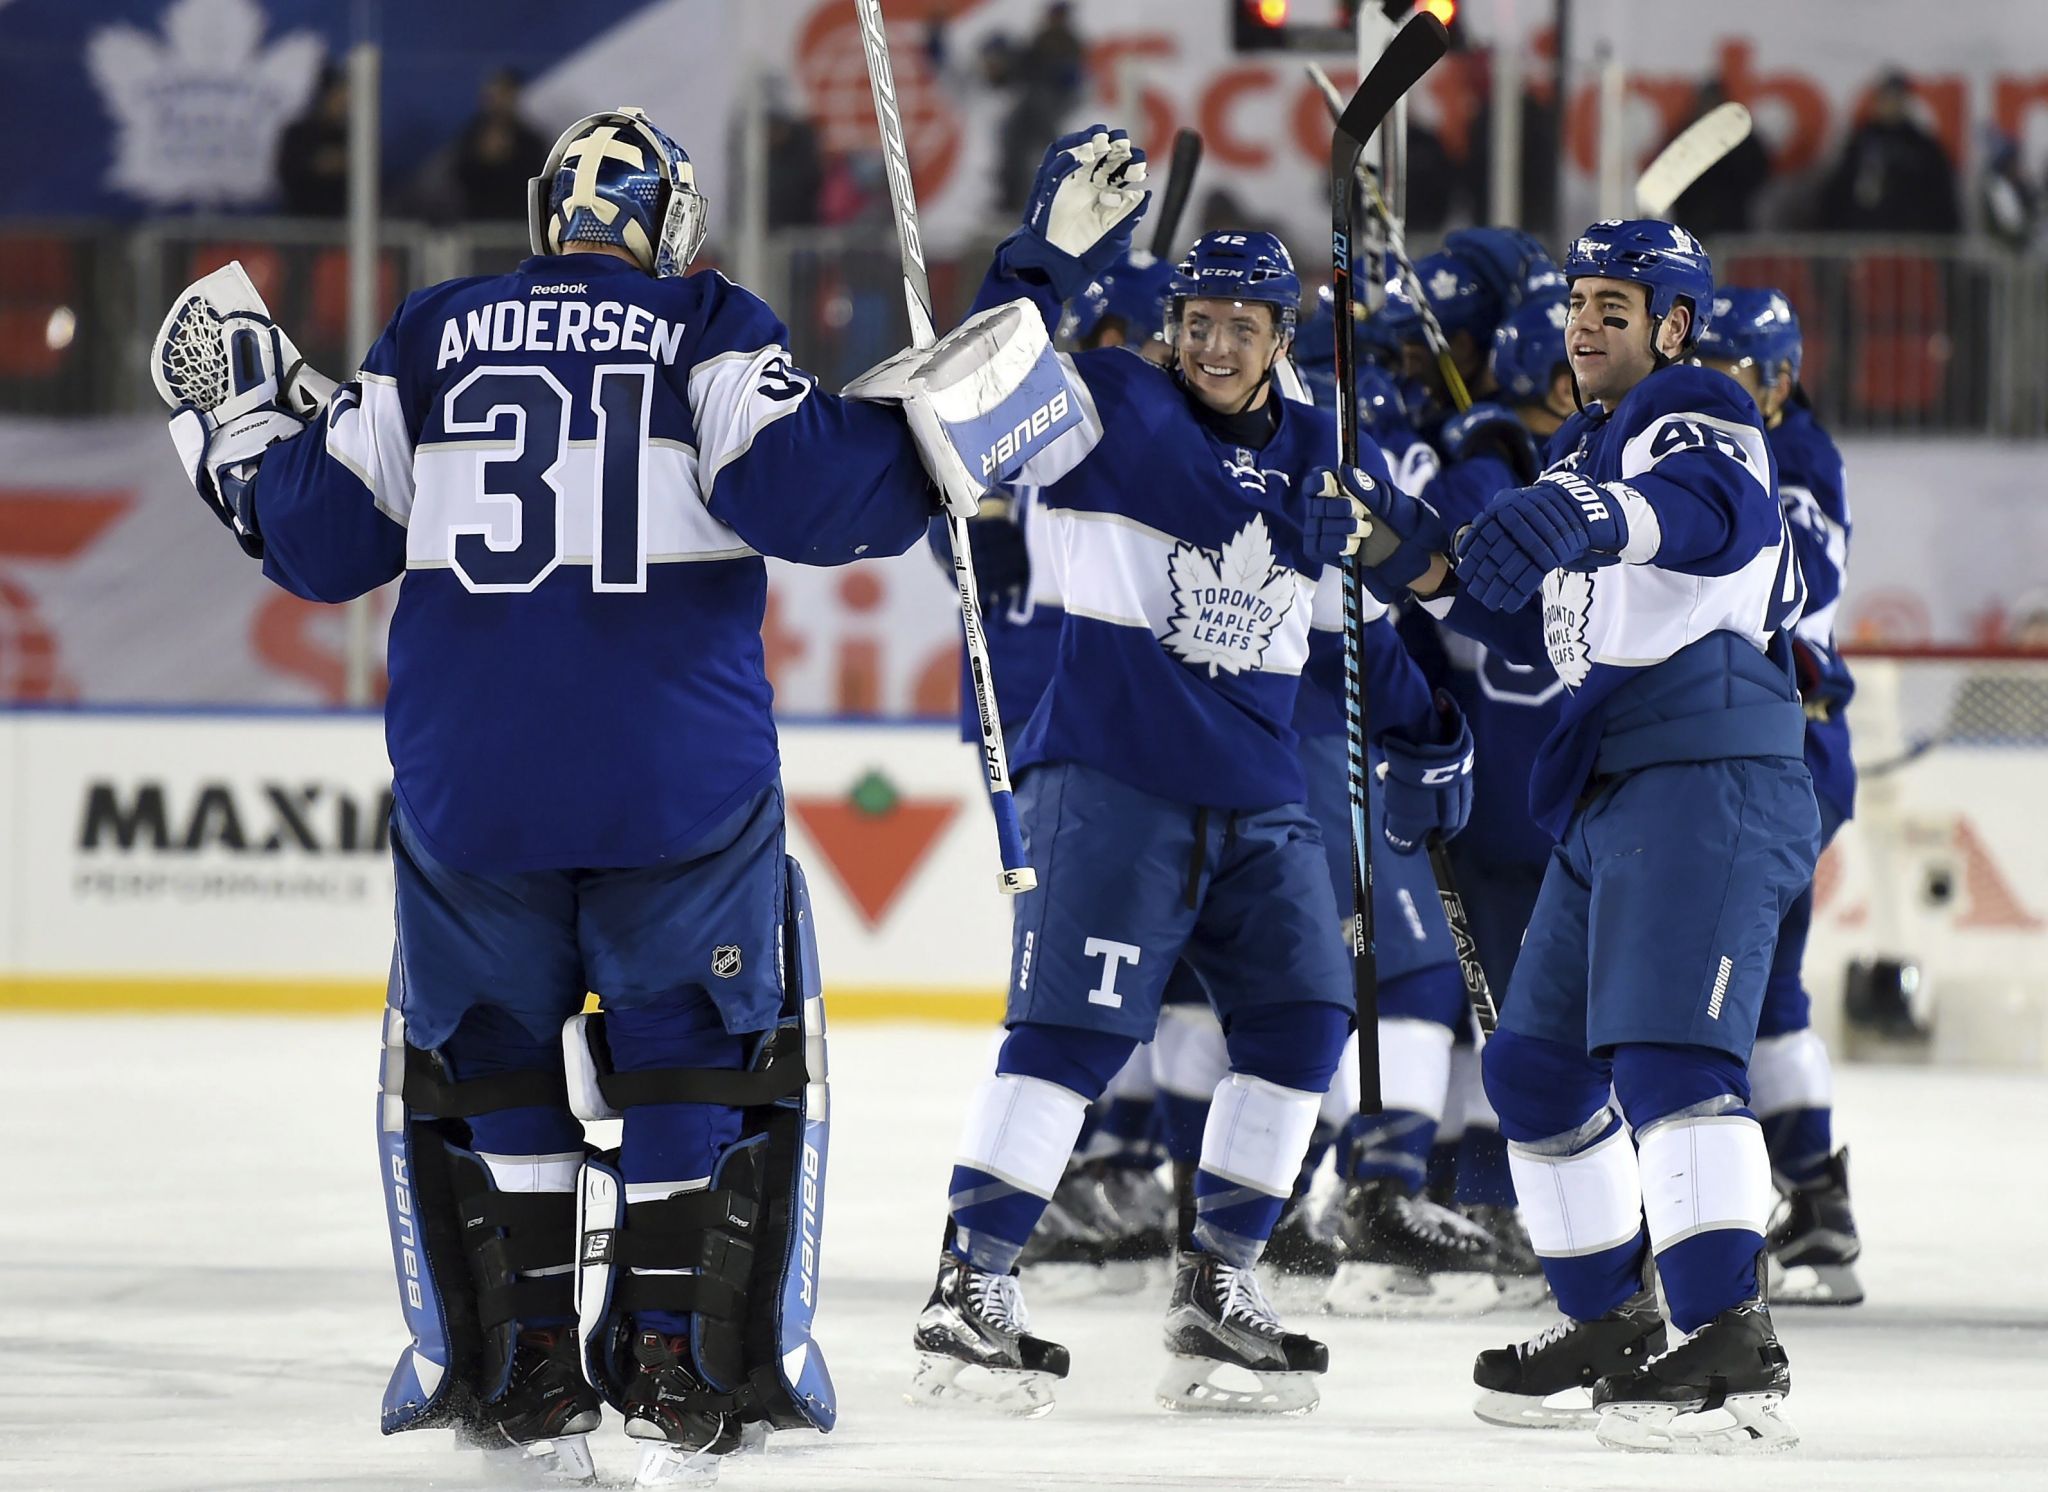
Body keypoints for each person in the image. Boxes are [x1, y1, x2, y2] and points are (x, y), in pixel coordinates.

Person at [157, 107, 1008, 1486]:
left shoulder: (432, 332)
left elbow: (317, 543)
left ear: (547, 218)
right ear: (668, 220)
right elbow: (816, 502)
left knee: (493, 1053)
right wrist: (944, 424)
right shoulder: (707, 323)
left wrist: (240, 438)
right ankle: (673, 1356)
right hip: (669, 776)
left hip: (469, 777)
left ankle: (529, 1362)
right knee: (685, 1049)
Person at [907, 127, 1472, 1419]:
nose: (1216, 344)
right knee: (1067, 1037)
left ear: (1284, 333)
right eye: (1196, 321)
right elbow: (966, 402)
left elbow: (1424, 581)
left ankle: (1220, 1279)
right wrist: (1038, 263)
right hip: (1110, 776)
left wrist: (1379, 554)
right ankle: (972, 1283)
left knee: (1307, 1023)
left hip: (1259, 789)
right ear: (1169, 326)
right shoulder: (1107, 403)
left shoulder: (1322, 439)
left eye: (1243, 325)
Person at [1350, 219, 1820, 1453]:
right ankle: (1611, 1319)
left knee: (1670, 1061)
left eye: (1617, 301)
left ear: (1670, 324)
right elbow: (1530, 631)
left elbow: (1718, 514)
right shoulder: (1581, 453)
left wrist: (1591, 514)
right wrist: (1400, 553)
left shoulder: (1692, 407)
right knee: (1533, 1070)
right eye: (1578, 300)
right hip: (1610, 788)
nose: (1587, 319)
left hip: (1705, 771)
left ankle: (1730, 1343)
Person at [1694, 286, 1867, 1307]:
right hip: (1784, 751)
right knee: (1762, 990)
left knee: (1712, 987)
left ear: (1775, 382)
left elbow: (1781, 592)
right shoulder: (1767, 447)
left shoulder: (1791, 461)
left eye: (1726, 375)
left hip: (1782, 751)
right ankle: (1811, 1203)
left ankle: (1713, 1218)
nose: (1706, 393)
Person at [1819, 70, 1961, 234]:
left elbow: (1941, 197)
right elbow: (1838, 193)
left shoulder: (1923, 147)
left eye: (1896, 99)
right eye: (1886, 98)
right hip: (1863, 239)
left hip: (1912, 243)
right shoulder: (1860, 142)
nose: (1891, 105)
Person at [1666, 81, 1772, 235]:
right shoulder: (1685, 138)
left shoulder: (1742, 137)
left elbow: (1758, 172)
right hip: (1692, 225)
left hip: (1733, 223)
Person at [453, 69, 548, 222]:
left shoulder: (530, 140)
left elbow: (537, 181)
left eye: (504, 94)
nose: (498, 101)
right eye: (493, 95)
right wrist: (483, 158)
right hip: (477, 220)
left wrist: (510, 157)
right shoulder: (470, 137)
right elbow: (459, 177)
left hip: (518, 221)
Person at [276, 63, 351, 218]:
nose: (343, 103)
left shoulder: (350, 137)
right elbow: (288, 172)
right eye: (338, 95)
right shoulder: (299, 133)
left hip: (341, 225)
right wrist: (317, 164)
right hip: (302, 221)